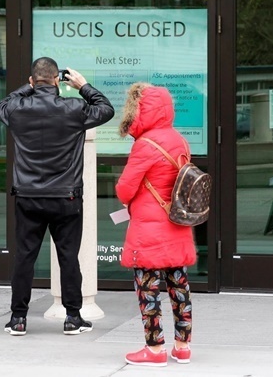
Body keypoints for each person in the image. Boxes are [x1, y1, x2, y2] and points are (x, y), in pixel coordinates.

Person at [0, 57, 114, 336]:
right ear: (57, 80)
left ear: (33, 80)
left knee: (24, 257)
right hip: (66, 197)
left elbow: (1, 105)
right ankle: (73, 318)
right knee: (68, 258)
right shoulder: (73, 108)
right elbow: (105, 109)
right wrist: (83, 86)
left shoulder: (17, 108)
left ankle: (18, 319)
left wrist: (28, 88)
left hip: (28, 196)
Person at [115, 82, 196, 367]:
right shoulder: (180, 140)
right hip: (177, 222)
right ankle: (183, 347)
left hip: (149, 228)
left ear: (141, 111)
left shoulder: (145, 144)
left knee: (148, 289)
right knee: (179, 287)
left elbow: (125, 189)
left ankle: (154, 348)